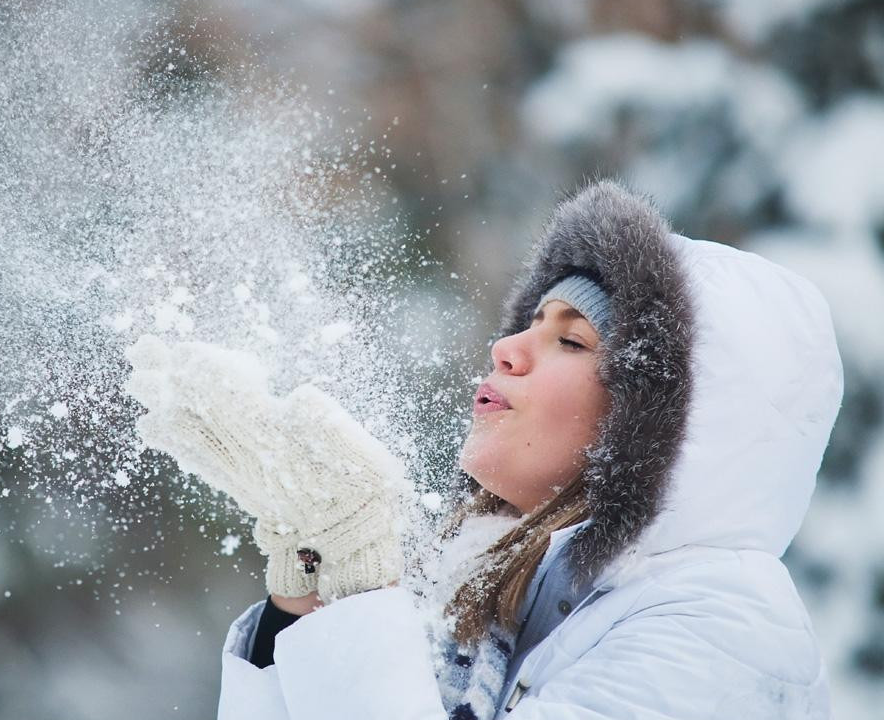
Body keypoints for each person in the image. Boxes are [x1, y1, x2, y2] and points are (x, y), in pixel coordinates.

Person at [124, 180, 842, 719]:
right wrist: (307, 597)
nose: (505, 348)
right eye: (529, 322)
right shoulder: (505, 590)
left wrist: (366, 597)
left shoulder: (724, 630)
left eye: (570, 340)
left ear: (656, 422)